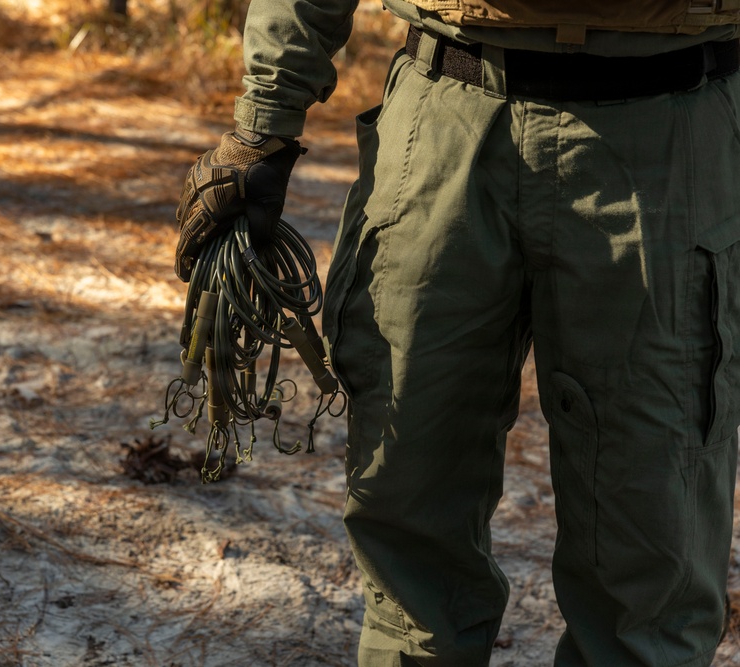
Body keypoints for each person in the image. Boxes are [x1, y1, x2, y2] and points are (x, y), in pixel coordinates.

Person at [173, 1, 740, 664]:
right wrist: (265, 120)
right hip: (444, 119)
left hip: (672, 133)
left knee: (654, 552)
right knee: (407, 504)